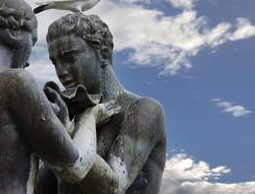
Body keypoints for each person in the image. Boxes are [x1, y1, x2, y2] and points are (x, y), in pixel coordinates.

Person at [0, 0, 115, 194]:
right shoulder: (14, 81)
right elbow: (75, 167)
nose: (28, 61)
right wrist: (89, 117)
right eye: (32, 42)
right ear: (16, 33)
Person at [36, 14, 167, 193]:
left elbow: (112, 187)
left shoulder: (143, 110)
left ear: (103, 54)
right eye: (55, 62)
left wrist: (69, 129)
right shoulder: (70, 114)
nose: (61, 71)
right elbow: (40, 188)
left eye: (70, 58)